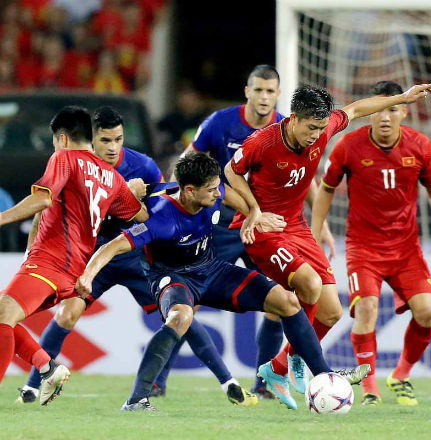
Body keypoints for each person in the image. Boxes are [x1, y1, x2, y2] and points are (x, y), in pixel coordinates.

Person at [74, 152, 370, 411]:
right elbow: (110, 247)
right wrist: (88, 275)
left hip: (211, 269)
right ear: (189, 191)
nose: (218, 195)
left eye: (218, 187)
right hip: (173, 278)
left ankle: (323, 375)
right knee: (180, 317)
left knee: (287, 301)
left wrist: (255, 213)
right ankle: (137, 400)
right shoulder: (160, 216)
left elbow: (231, 194)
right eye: (212, 190)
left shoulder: (212, 192)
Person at [15, 107, 255, 407]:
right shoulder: (74, 165)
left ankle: (219, 381)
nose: (113, 147)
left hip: (135, 255)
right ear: (92, 140)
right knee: (67, 313)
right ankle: (33, 387)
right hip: (94, 254)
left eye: (118, 139)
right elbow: (46, 206)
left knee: (179, 313)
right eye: (105, 140)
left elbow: (164, 204)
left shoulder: (143, 166)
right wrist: (31, 250)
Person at [224, 82, 431, 406]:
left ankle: (278, 367)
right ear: (294, 118)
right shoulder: (263, 142)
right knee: (308, 284)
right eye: (311, 128)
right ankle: (302, 362)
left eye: (322, 129)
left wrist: (402, 97)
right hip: (265, 230)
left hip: (296, 225)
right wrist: (254, 211)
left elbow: (357, 108)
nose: (316, 136)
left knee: (332, 311)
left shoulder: (323, 129)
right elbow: (230, 171)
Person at [311, 81, 431, 406]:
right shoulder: (348, 146)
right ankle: (369, 388)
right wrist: (316, 229)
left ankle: (401, 375)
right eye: (380, 108)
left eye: (393, 109)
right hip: (363, 248)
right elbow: (326, 189)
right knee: (367, 308)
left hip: (406, 249)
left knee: (427, 311)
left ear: (404, 111)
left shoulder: (420, 146)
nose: (386, 116)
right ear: (370, 113)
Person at [0, 106, 147, 405]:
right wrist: (135, 193)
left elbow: (42, 199)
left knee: (3, 316)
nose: (54, 147)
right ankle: (46, 367)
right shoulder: (112, 177)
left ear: (63, 139)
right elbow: (140, 215)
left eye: (55, 142)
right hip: (73, 273)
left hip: (50, 262)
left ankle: (45, 367)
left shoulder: (64, 158)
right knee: (6, 317)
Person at [172, 64, 289, 398]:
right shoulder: (220, 122)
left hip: (265, 225)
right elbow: (185, 163)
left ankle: (265, 384)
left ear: (278, 94)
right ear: (247, 91)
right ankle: (156, 380)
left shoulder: (285, 128)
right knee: (186, 301)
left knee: (277, 304)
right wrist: (180, 204)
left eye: (270, 91)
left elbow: (303, 177)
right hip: (222, 224)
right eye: (259, 90)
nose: (264, 97)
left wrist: (318, 223)